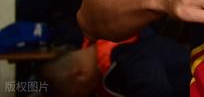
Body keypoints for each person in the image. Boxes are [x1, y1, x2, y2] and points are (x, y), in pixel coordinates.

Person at [41, 28, 190, 97]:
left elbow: (157, 92)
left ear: (79, 74)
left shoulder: (126, 57)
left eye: (77, 95)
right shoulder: (100, 46)